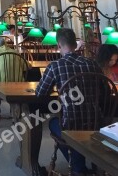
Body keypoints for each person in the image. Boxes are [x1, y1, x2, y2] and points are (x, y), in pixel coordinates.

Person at [36, 28, 101, 176]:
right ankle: (83, 166)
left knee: (55, 123)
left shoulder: (55, 66)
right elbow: (103, 91)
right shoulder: (92, 64)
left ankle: (78, 168)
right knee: (80, 124)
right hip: (96, 121)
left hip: (70, 123)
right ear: (75, 43)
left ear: (59, 45)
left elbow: (40, 93)